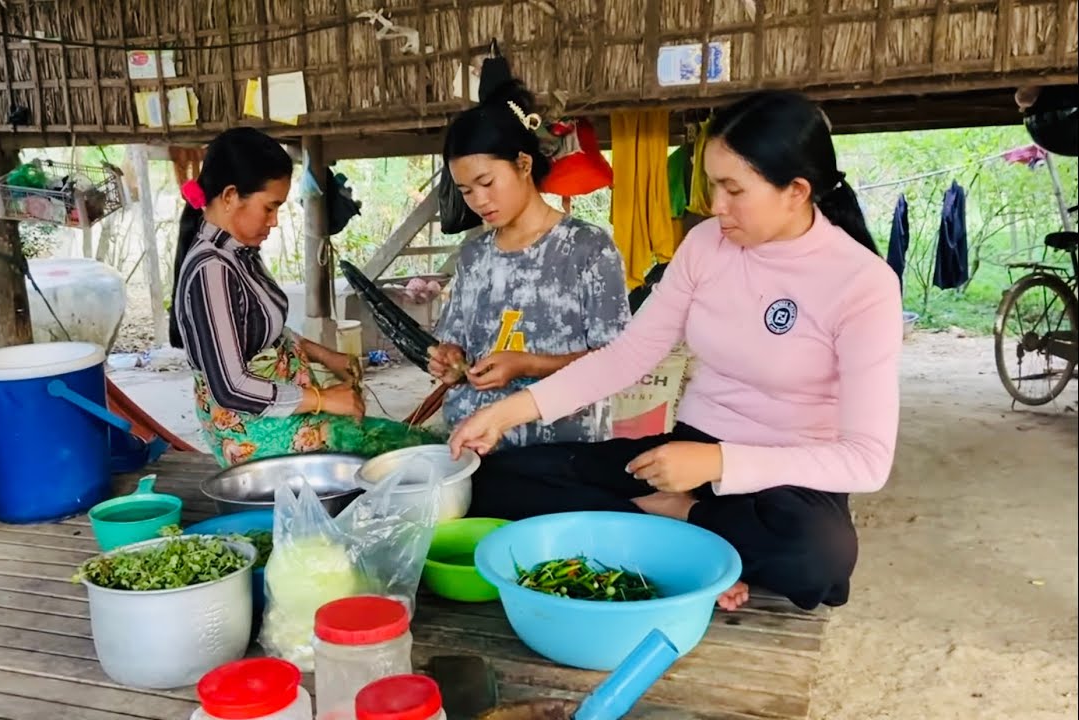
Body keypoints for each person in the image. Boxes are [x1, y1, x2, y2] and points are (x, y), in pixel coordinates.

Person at [448, 90, 903, 612]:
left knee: (817, 553)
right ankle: (695, 546)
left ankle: (680, 521)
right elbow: (627, 355)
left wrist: (717, 464)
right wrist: (507, 412)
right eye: (712, 184)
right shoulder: (707, 245)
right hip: (686, 450)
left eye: (733, 189)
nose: (715, 205)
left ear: (796, 191)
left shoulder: (862, 283)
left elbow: (866, 462)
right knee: (494, 480)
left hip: (784, 476)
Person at [171, 127, 439, 468]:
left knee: (399, 448)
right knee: (401, 454)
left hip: (279, 411)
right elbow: (231, 388)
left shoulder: (237, 254)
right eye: (269, 207)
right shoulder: (212, 271)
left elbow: (264, 331)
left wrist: (325, 355)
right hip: (251, 431)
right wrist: (322, 399)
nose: (274, 221)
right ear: (230, 196)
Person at [426, 79, 630, 448]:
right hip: (474, 445)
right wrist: (450, 360)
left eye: (487, 182)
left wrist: (528, 364)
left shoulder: (587, 248)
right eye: (466, 191)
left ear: (523, 164)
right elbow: (457, 341)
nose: (479, 201)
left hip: (562, 450)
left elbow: (617, 363)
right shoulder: (474, 256)